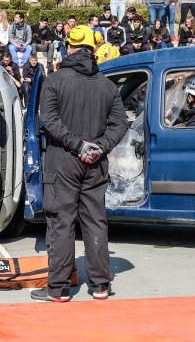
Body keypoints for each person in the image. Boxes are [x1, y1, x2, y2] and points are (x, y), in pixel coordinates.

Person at [30, 25, 128, 303]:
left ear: (70, 48)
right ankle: (101, 286)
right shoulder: (107, 85)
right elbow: (120, 123)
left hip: (64, 159)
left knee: (62, 222)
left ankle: (59, 288)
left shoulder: (56, 80)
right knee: (95, 222)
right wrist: (99, 147)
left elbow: (48, 120)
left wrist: (77, 145)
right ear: (94, 49)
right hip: (95, 162)